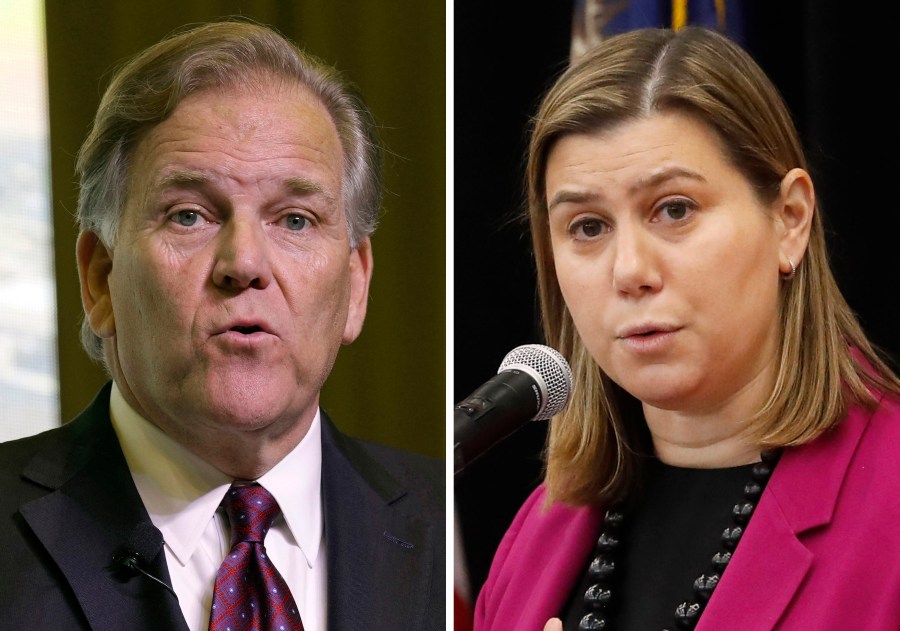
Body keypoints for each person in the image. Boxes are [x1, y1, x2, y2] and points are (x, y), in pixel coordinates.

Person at [0, 20, 444, 631]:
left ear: (356, 285)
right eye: (190, 215)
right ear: (100, 279)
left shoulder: (453, 530)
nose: (244, 264)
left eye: (294, 220)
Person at [473, 26, 900, 631]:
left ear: (789, 220)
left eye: (674, 210)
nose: (631, 272)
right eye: (588, 227)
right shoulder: (540, 531)